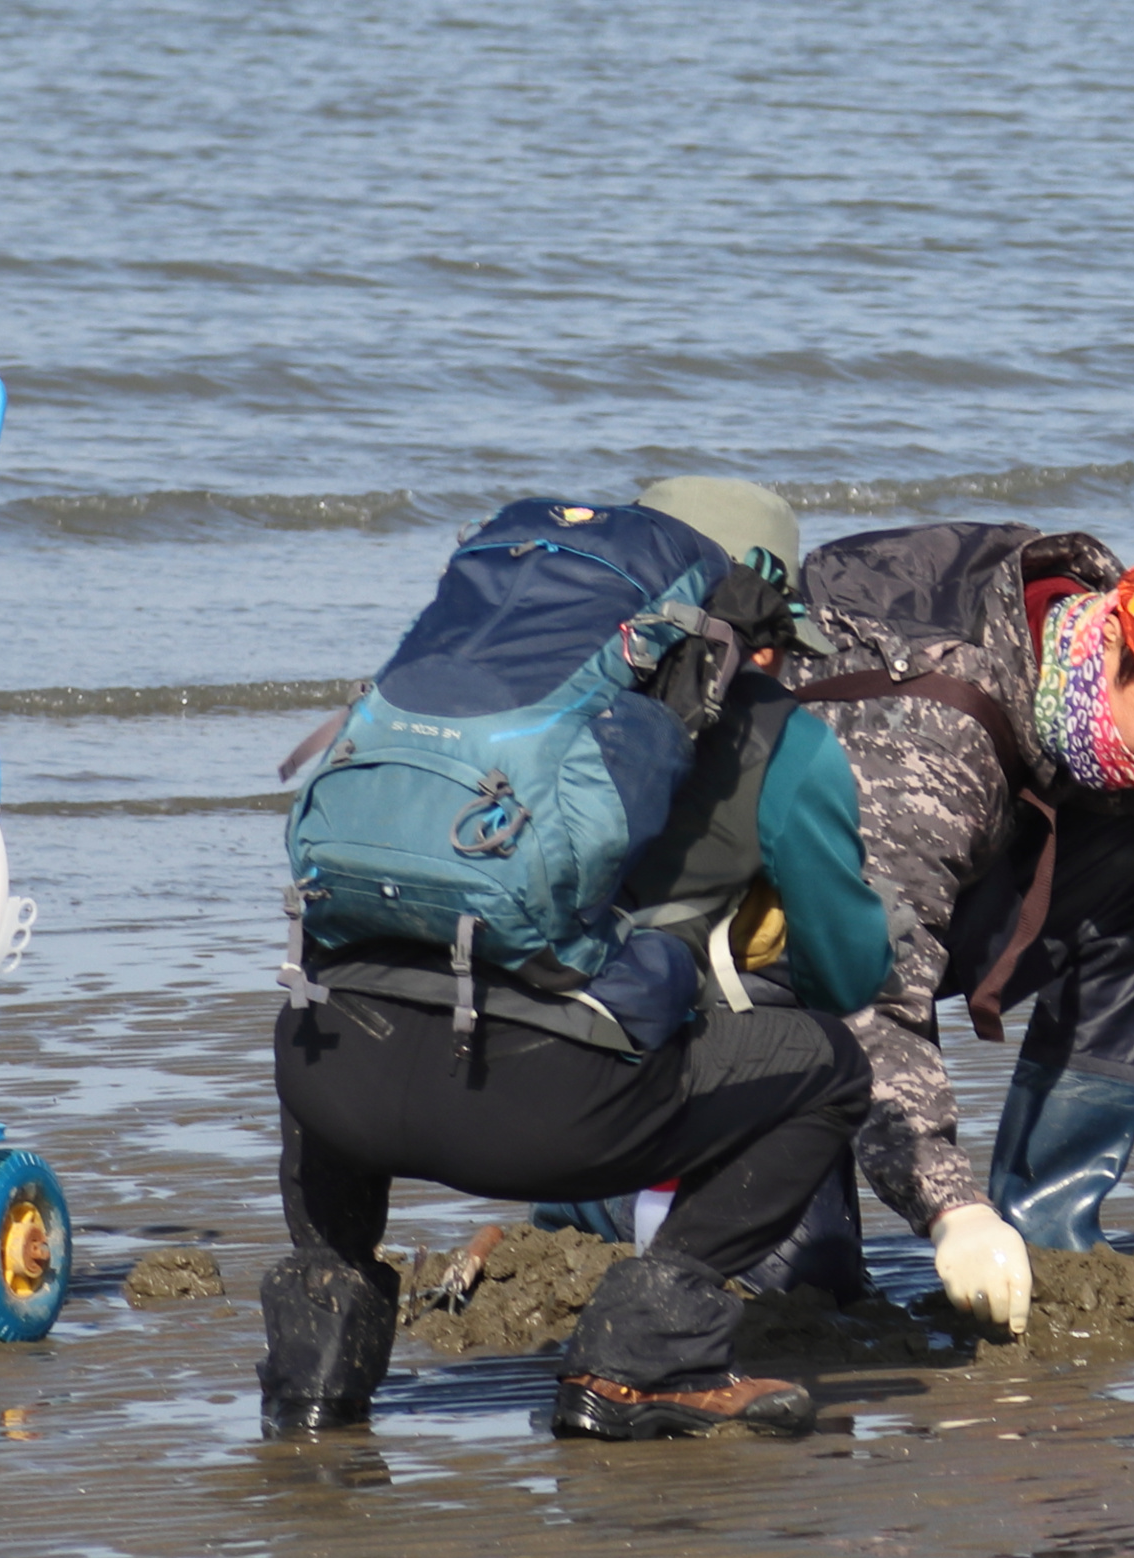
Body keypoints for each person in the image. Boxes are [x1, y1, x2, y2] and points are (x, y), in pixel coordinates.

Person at [255, 478, 878, 1445]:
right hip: (545, 1117)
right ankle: (643, 1357)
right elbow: (850, 976)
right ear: (755, 633)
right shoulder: (783, 740)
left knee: (342, 985)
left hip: (335, 1083)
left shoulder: (467, 689)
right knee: (830, 1067)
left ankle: (318, 1365)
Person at [778, 520, 1134, 1331]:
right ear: (1111, 644)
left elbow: (1086, 748)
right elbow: (872, 997)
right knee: (807, 1286)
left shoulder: (1075, 630)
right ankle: (601, 1191)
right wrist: (952, 1209)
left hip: (927, 872)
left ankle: (1050, 1230)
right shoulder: (932, 743)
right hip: (758, 948)